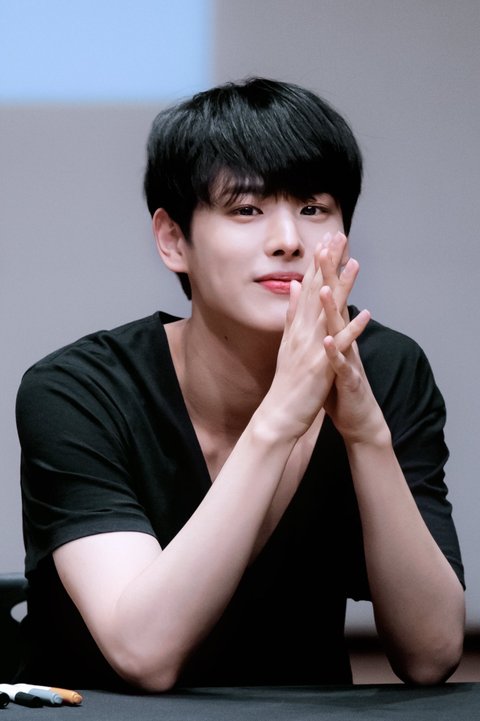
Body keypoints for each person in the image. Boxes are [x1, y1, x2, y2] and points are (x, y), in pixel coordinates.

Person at [16, 78, 465, 691]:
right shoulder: (78, 390)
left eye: (313, 209)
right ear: (173, 239)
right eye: (247, 210)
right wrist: (280, 417)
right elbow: (145, 654)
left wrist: (367, 438)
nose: (288, 241)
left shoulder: (384, 369)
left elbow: (431, 654)